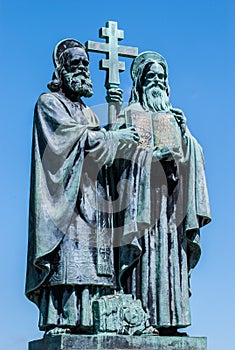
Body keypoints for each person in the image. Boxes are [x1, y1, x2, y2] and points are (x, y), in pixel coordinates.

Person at [25, 39, 139, 335]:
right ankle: (62, 319)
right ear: (60, 71)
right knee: (70, 261)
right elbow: (72, 140)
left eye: (86, 65)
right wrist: (111, 138)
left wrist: (117, 128)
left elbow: (102, 151)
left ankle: (93, 319)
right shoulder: (48, 103)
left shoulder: (89, 113)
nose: (83, 70)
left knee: (95, 265)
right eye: (75, 64)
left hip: (94, 199)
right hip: (67, 199)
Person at [115, 51, 211, 336]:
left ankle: (170, 321)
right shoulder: (130, 115)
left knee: (172, 261)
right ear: (140, 81)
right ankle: (142, 320)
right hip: (144, 205)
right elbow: (119, 159)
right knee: (147, 260)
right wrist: (150, 157)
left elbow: (192, 157)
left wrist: (185, 135)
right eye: (151, 76)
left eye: (161, 77)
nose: (156, 81)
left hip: (173, 206)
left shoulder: (174, 117)